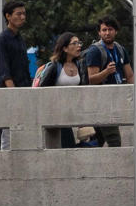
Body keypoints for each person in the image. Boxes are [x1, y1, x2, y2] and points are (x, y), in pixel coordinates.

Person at [36, 33, 97, 147]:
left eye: (79, 43)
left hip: (72, 113)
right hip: (56, 113)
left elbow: (84, 90)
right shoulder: (54, 67)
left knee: (78, 145)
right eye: (74, 43)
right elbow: (42, 91)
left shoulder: (80, 64)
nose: (79, 46)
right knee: (66, 146)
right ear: (64, 48)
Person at [79, 16, 129, 147]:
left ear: (116, 31)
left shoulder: (120, 49)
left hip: (115, 99)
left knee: (98, 139)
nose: (107, 33)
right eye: (104, 30)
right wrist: (106, 72)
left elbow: (130, 75)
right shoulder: (95, 51)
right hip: (100, 102)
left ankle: (86, 160)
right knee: (114, 140)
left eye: (110, 29)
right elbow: (92, 79)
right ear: (99, 33)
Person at [0, 0, 32, 89]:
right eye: (18, 14)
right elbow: (3, 71)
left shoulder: (20, 39)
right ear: (8, 16)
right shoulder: (1, 40)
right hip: (9, 94)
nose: (23, 17)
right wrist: (13, 93)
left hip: (24, 90)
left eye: (24, 14)